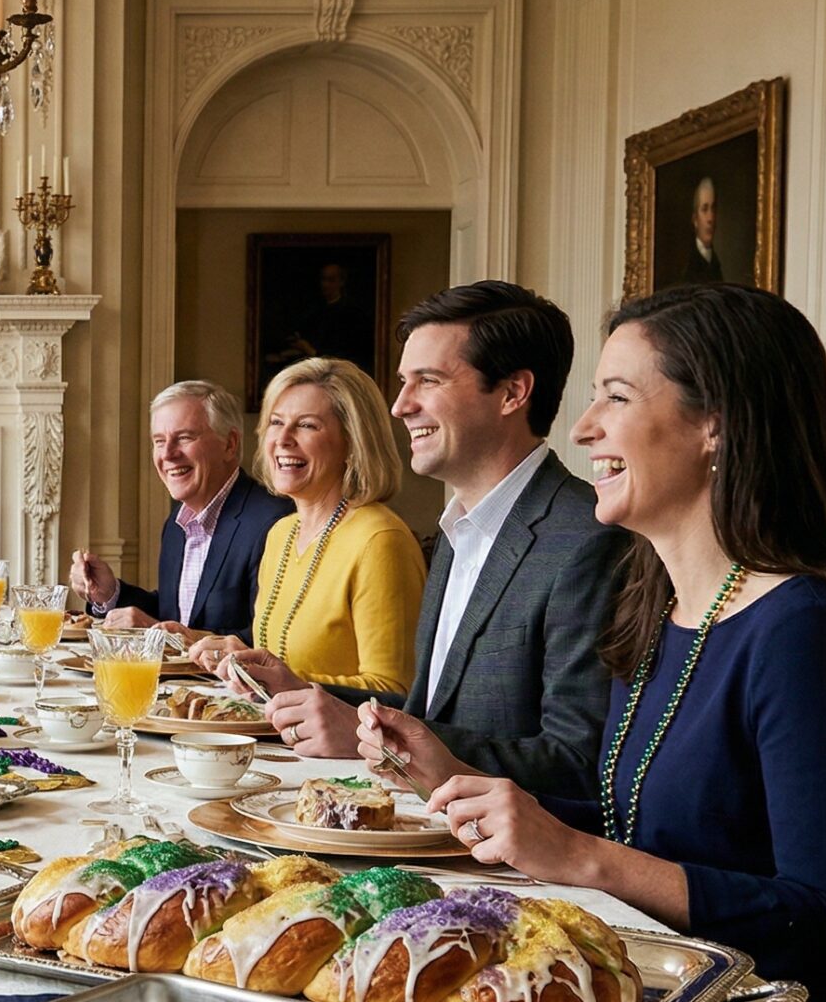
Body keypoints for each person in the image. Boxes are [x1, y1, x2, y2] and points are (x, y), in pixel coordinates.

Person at [359, 284, 826, 1002]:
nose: (584, 429)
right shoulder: (661, 604)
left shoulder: (807, 632)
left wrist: (586, 857)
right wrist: (486, 798)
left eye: (614, 398)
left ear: (716, 422)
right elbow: (649, 822)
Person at [246, 282, 625, 799]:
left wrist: (377, 742)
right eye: (405, 382)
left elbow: (577, 764)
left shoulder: (587, 538)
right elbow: (430, 715)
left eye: (428, 381)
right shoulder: (456, 530)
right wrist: (310, 695)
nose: (400, 406)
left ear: (513, 392)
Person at [191, 357, 425, 694]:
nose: (283, 439)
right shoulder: (281, 533)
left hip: (341, 748)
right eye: (275, 422)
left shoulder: (380, 540)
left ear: (353, 442)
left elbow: (393, 692)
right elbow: (282, 662)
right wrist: (242, 659)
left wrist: (288, 685)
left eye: (307, 425)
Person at [72, 380, 291, 641]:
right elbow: (175, 615)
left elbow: (270, 641)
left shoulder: (274, 522)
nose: (168, 454)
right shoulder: (177, 522)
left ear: (230, 444)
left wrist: (170, 638)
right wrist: (109, 594)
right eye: (159, 441)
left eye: (184, 437)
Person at [680, 176, 725, 285]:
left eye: (713, 209)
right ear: (695, 219)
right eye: (704, 209)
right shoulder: (688, 264)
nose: (710, 218)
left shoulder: (715, 262)